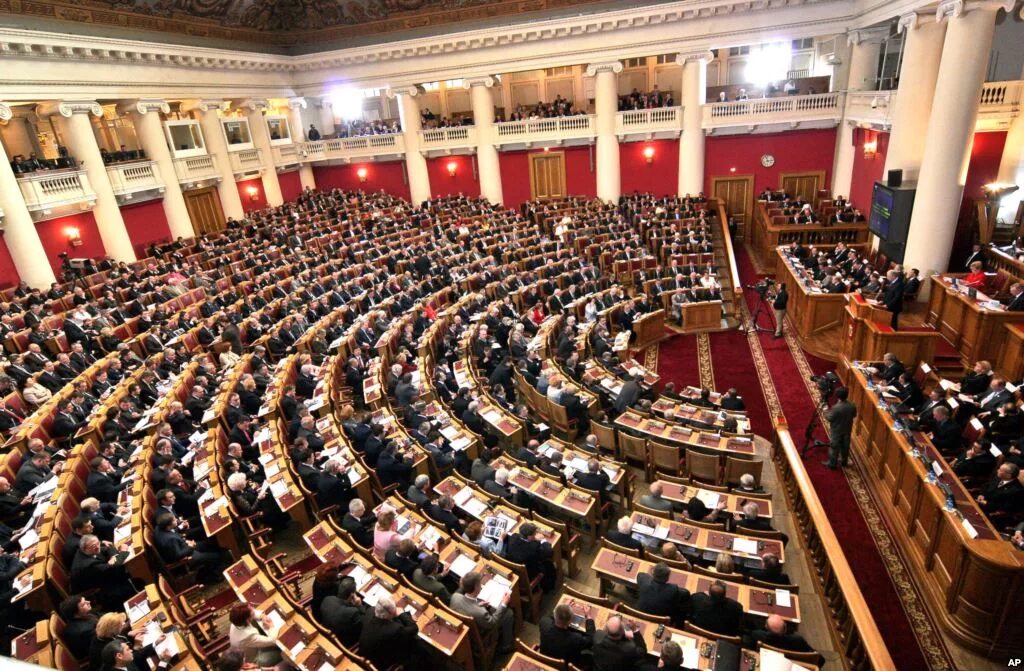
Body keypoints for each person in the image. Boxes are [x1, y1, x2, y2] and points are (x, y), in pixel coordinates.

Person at [450, 571, 515, 653]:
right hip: (479, 632)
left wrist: (478, 604)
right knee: (509, 613)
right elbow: (492, 623)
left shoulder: (455, 596)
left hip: (464, 626)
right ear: (476, 587)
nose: (481, 586)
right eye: (479, 584)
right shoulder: (481, 613)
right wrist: (504, 604)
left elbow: (467, 605)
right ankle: (506, 646)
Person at [360, 595, 422, 671]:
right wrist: (402, 614)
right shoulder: (394, 630)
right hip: (380, 664)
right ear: (391, 613)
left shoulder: (370, 610)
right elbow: (414, 628)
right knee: (416, 646)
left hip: (363, 656)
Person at [539, 603, 595, 668]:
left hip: (545, 660)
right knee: (589, 657)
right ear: (570, 621)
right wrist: (588, 617)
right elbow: (591, 640)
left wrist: (562, 608)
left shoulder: (544, 622)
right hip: (565, 666)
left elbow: (550, 617)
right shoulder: (575, 639)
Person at [320, 577, 366, 647]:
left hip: (327, 635)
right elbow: (365, 624)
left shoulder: (327, 599)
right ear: (352, 595)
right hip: (343, 644)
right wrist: (359, 605)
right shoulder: (352, 612)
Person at [823, 388, 856, 470]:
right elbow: (854, 415)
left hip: (837, 430)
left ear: (837, 396)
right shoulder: (852, 405)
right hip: (847, 429)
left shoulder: (836, 407)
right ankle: (844, 462)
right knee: (845, 446)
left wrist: (825, 412)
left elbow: (830, 418)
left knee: (834, 446)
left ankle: (832, 463)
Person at [745, 614, 814, 652]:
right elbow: (817, 658)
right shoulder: (798, 641)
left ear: (766, 627)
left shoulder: (756, 635)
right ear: (785, 628)